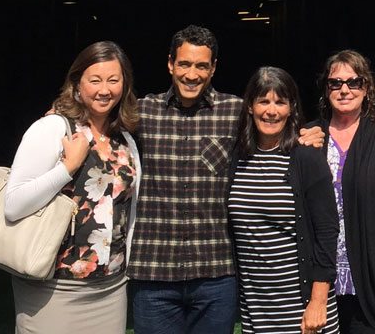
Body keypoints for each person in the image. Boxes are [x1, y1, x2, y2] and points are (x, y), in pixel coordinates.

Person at [127, 25, 324, 333]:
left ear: (213, 68)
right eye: (185, 64)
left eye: (202, 65)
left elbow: (274, 119)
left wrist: (308, 133)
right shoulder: (141, 113)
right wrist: (63, 114)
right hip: (154, 274)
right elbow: (99, 114)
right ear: (170, 64)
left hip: (215, 276)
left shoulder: (234, 112)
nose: (192, 74)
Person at [5, 41, 141, 333]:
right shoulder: (53, 128)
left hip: (111, 287)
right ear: (77, 84)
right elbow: (13, 204)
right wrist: (67, 168)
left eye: (113, 80)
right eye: (95, 80)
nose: (104, 89)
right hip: (53, 287)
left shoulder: (125, 140)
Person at [227, 67, 340, 334]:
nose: (271, 111)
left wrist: (318, 302)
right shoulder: (237, 158)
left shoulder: (306, 157)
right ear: (250, 107)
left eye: (280, 102)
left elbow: (327, 231)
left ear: (291, 108)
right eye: (263, 101)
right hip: (256, 308)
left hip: (302, 306)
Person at [310, 49, 375, 333]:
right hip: (317, 285)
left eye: (354, 82)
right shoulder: (309, 138)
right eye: (335, 83)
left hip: (370, 282)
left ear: (366, 88)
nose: (345, 89)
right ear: (326, 88)